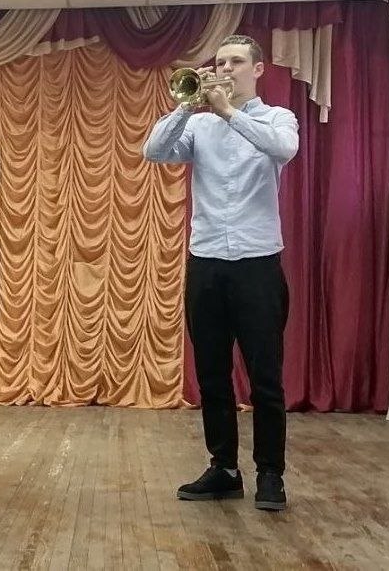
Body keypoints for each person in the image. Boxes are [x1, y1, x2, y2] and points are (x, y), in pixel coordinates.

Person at [142, 35, 298, 511]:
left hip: (257, 264)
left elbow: (283, 150)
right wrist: (188, 107)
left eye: (236, 62)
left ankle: (270, 474)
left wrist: (230, 113)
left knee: (265, 377)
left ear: (258, 69)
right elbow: (154, 151)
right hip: (206, 263)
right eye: (220, 62)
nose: (225, 69)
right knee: (211, 374)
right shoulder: (199, 125)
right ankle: (224, 469)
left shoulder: (277, 118)